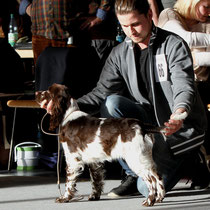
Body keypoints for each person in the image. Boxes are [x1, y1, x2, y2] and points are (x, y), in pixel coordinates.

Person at [41, 0, 209, 199]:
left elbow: (184, 84)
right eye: (125, 26)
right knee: (112, 103)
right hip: (145, 123)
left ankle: (191, 160)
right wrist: (65, 105)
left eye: (135, 24)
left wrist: (180, 111)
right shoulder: (119, 53)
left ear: (149, 15)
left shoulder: (173, 44)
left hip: (176, 126)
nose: (131, 32)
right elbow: (100, 93)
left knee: (146, 189)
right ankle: (131, 171)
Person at [158, 0, 210, 189]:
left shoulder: (207, 22)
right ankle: (192, 160)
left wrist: (196, 58)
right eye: (207, 6)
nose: (209, 12)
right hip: (174, 86)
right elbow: (183, 39)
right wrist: (198, 58)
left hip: (203, 84)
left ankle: (197, 161)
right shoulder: (170, 15)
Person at [19, 0, 116, 64]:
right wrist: (26, 6)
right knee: (44, 85)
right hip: (40, 33)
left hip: (73, 32)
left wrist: (101, 15)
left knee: (75, 85)